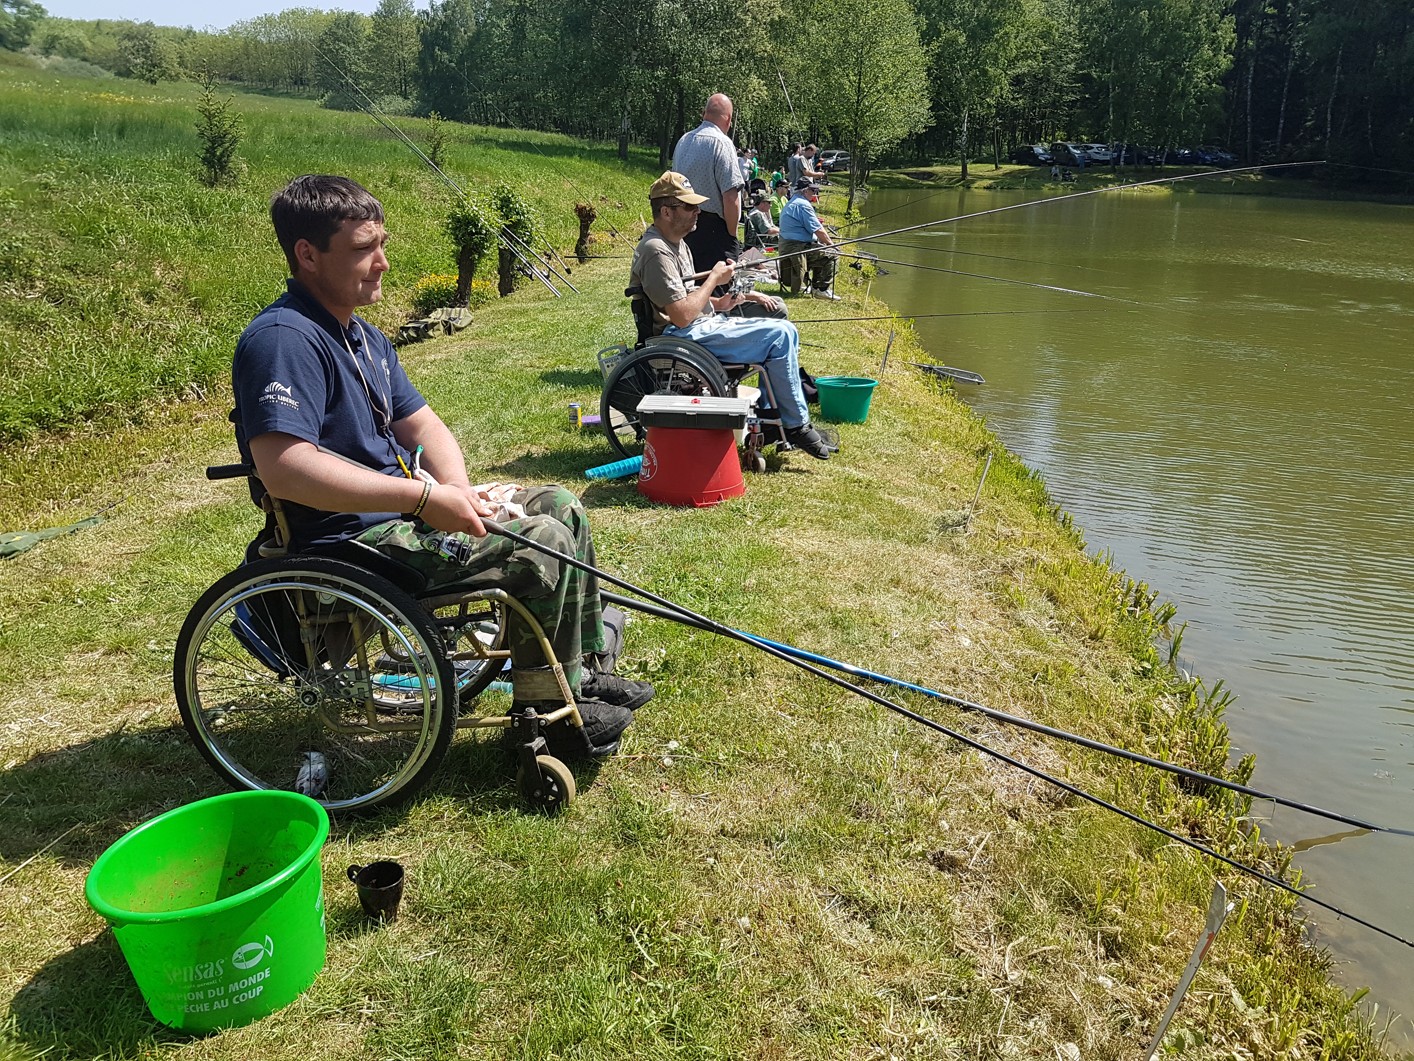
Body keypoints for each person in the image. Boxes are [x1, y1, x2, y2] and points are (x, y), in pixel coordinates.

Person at [231, 175, 653, 759]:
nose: (381, 262)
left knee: (562, 506)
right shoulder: (283, 340)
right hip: (349, 542)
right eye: (361, 248)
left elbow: (423, 426)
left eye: (381, 244)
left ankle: (575, 676)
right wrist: (426, 503)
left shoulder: (363, 337)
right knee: (538, 542)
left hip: (404, 514)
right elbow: (283, 467)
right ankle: (545, 718)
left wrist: (455, 492)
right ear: (307, 254)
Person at [629, 171, 835, 460]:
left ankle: (777, 420)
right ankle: (792, 424)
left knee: (781, 324)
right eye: (689, 206)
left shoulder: (675, 244)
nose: (697, 211)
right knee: (779, 335)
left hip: (694, 327)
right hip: (679, 337)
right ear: (666, 211)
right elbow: (680, 315)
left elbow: (684, 300)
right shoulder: (656, 251)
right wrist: (714, 277)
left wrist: (721, 302)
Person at [672, 93, 744, 277]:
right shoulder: (722, 143)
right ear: (728, 119)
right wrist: (732, 236)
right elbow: (730, 197)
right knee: (717, 290)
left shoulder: (683, 141)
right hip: (712, 229)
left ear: (705, 113)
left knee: (689, 285)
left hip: (682, 223)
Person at [777, 178, 839, 300]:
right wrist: (832, 245)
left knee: (821, 249)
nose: (815, 193)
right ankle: (821, 289)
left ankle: (815, 287)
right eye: (813, 190)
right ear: (805, 191)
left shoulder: (793, 202)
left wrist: (821, 241)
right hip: (796, 248)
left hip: (788, 246)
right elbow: (818, 229)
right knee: (832, 254)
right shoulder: (803, 205)